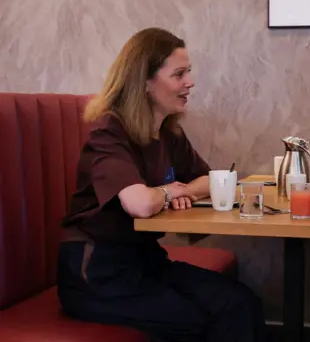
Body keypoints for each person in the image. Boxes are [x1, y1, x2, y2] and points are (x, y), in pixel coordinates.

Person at [57, 27, 266, 342]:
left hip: (145, 261)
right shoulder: (108, 132)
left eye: (189, 73)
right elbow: (139, 204)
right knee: (196, 322)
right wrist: (168, 192)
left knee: (239, 303)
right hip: (97, 274)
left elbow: (211, 180)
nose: (190, 82)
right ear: (145, 82)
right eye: (179, 74)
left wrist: (181, 191)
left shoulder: (169, 133)